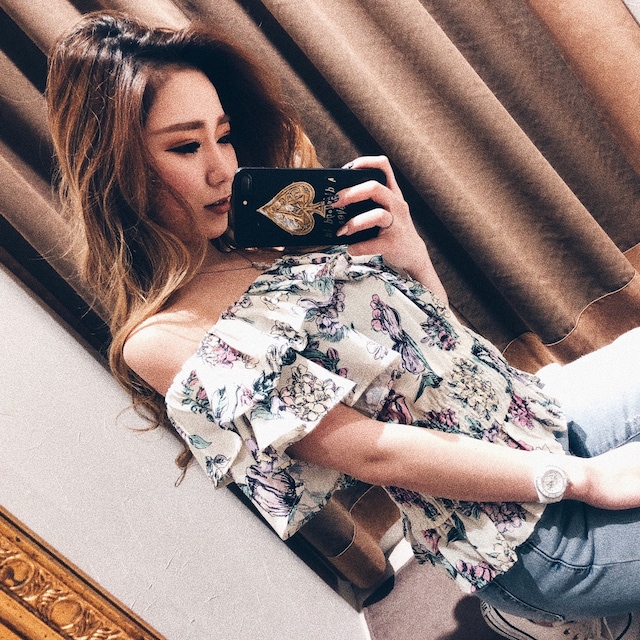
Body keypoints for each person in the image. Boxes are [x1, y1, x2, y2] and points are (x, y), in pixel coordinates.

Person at [46, 11, 640, 640]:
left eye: (224, 135)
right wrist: (584, 480)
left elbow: (435, 349)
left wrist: (411, 259)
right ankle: (542, 608)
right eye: (186, 147)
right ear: (119, 168)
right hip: (523, 535)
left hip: (539, 417)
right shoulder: (165, 339)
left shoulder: (273, 231)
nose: (222, 169)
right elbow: (373, 451)